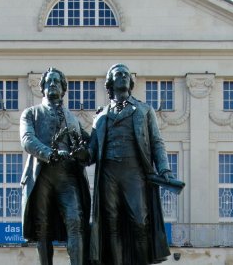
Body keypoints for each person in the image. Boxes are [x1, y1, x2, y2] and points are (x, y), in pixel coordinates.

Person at [87, 63, 174, 264]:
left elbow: (156, 142)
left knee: (139, 221)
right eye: (118, 74)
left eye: (126, 74)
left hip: (134, 171)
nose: (123, 76)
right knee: (111, 223)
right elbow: (91, 151)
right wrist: (76, 153)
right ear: (110, 82)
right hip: (109, 172)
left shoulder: (144, 110)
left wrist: (164, 168)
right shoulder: (100, 115)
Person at [20, 67, 91, 265]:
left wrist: (84, 153)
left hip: (68, 178)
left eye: (57, 82)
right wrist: (49, 154)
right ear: (42, 88)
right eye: (49, 81)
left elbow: (90, 148)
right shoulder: (31, 113)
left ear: (63, 89)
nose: (53, 84)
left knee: (75, 222)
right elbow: (27, 140)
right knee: (42, 228)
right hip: (41, 175)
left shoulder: (73, 119)